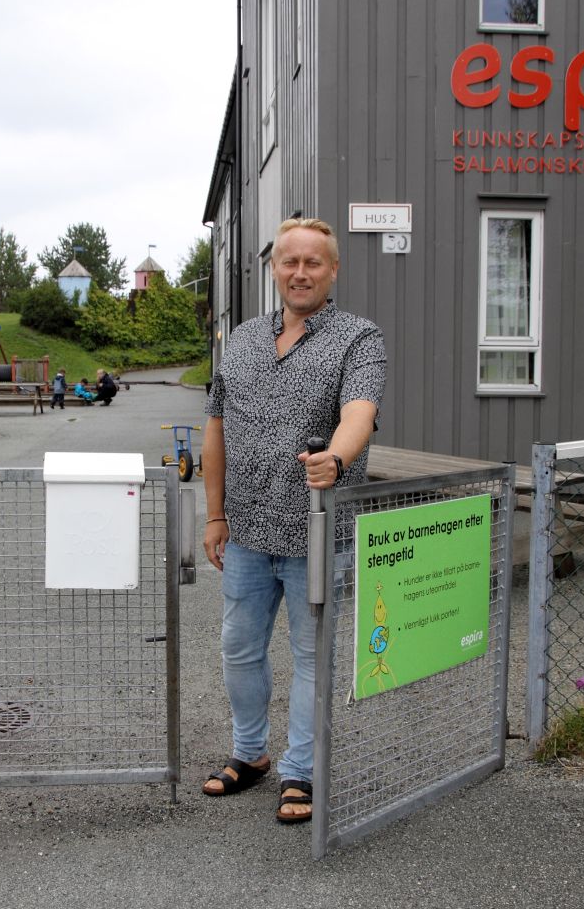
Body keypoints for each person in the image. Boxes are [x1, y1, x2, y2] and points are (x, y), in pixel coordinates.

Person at [201, 216, 386, 824]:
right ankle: (250, 755)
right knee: (239, 648)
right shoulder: (243, 341)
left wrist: (337, 457)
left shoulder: (359, 339)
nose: (300, 272)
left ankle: (300, 770)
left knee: (311, 657)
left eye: (313, 262)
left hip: (316, 532)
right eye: (289, 261)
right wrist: (214, 514)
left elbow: (359, 412)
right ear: (273, 268)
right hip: (249, 532)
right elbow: (216, 430)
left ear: (333, 271)